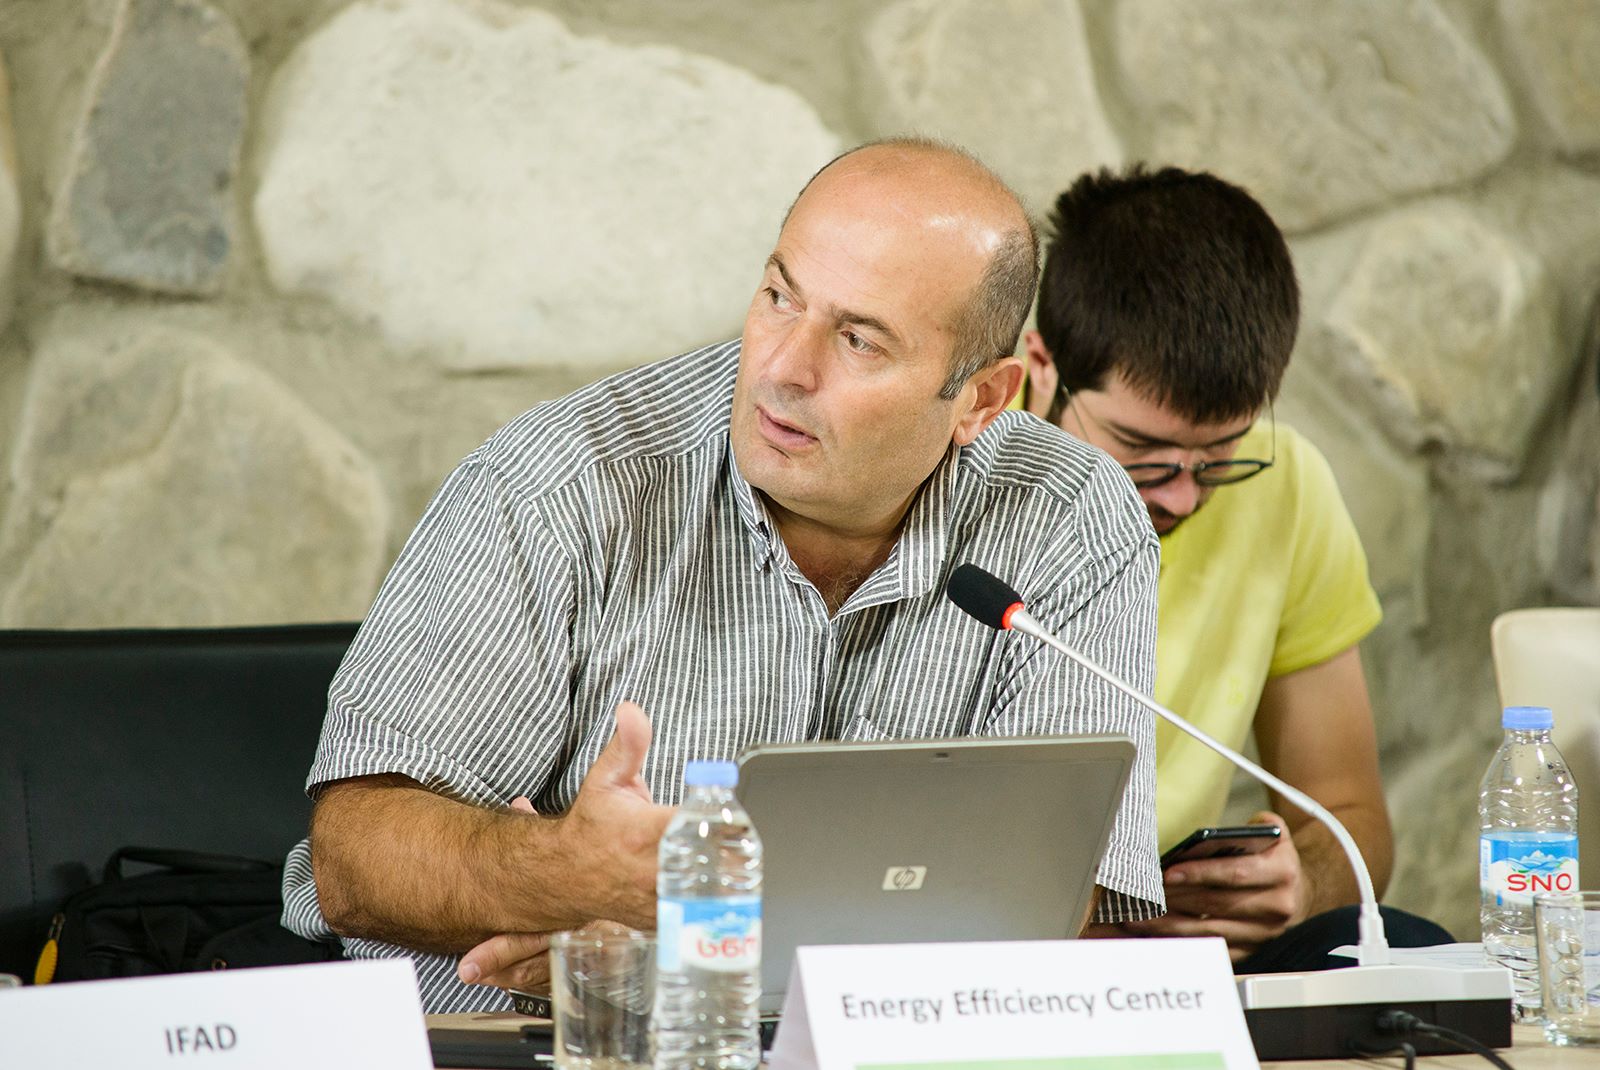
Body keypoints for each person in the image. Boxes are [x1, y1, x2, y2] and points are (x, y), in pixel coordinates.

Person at [283, 139, 1167, 1012]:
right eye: (780, 296)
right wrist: (562, 873)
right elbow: (352, 861)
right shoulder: (562, 484)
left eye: (859, 340)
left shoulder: (1072, 517)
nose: (783, 368)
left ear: (982, 398)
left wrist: (684, 949)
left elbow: (1059, 902)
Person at [1022, 165, 1449, 970]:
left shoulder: (1286, 481)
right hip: (989, 945)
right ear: (1041, 367)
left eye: (1220, 453)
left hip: (1178, 947)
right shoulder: (956, 477)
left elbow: (1351, 816)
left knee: (1411, 947)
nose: (1182, 496)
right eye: (1141, 450)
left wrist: (1301, 883)